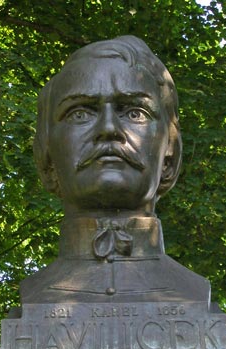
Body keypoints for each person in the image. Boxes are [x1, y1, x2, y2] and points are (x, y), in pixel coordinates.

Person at [20, 35, 211, 303]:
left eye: (135, 113)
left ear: (170, 154)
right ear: (47, 156)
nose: (108, 129)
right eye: (80, 113)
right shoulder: (35, 295)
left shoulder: (193, 293)